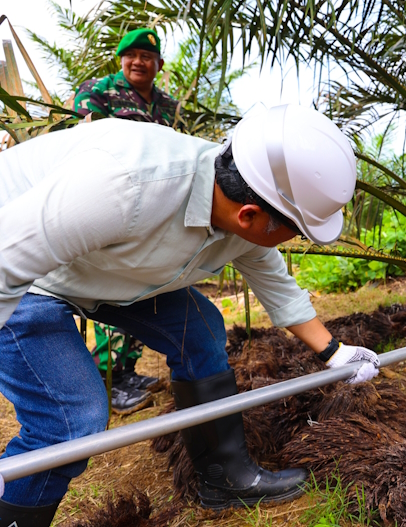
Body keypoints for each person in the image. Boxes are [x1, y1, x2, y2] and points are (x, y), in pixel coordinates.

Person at [0, 103, 380, 526]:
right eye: (297, 229)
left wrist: (336, 353)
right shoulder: (125, 183)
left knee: (199, 330)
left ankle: (222, 478)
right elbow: (6, 260)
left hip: (99, 270)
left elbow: (279, 290)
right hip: (21, 272)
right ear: (250, 216)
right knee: (72, 417)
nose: (295, 240)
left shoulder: (246, 210)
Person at [73, 28, 180, 414]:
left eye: (147, 56)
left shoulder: (167, 105)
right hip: (113, 202)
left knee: (143, 285)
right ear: (121, 59)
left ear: (159, 65)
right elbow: (92, 141)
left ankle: (127, 369)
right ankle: (108, 381)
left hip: (153, 207)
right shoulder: (97, 90)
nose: (139, 62)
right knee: (113, 289)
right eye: (131, 54)